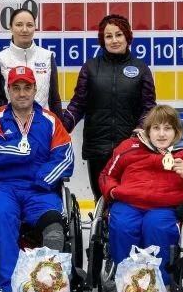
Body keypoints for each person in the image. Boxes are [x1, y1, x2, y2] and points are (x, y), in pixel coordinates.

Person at [0, 65, 75, 292]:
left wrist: (43, 179)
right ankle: (10, 289)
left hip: (40, 188)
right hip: (4, 187)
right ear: (8, 90)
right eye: (16, 88)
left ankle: (48, 286)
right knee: (2, 220)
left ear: (35, 89)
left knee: (54, 228)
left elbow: (64, 157)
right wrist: (23, 151)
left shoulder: (51, 120)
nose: (22, 93)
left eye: (27, 87)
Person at [99, 104, 183, 278]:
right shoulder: (129, 146)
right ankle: (127, 278)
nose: (161, 134)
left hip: (166, 206)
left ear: (177, 131)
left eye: (167, 129)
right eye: (156, 128)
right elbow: (107, 174)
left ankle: (158, 281)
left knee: (156, 226)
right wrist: (112, 191)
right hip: (128, 202)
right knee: (123, 225)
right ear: (147, 131)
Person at [62, 13, 156, 198]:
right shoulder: (90, 68)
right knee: (102, 200)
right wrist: (60, 129)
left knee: (127, 200)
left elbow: (149, 107)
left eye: (119, 34)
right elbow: (78, 104)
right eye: (109, 36)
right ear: (102, 40)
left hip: (130, 148)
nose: (114, 40)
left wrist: (139, 129)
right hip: (97, 148)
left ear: (127, 36)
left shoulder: (141, 69)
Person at [0, 7, 61, 113]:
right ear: (11, 28)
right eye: (19, 25)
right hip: (9, 127)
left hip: (43, 126)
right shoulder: (0, 59)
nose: (24, 29)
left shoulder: (47, 57)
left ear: (35, 27)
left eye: (29, 25)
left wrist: (61, 128)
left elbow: (55, 100)